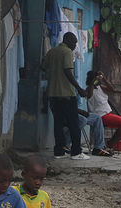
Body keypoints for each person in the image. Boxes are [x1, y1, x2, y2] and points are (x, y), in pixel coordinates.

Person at [43, 32, 88, 160]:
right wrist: (79, 89)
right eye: (74, 42)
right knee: (73, 123)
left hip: (53, 94)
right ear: (68, 41)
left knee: (58, 123)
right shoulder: (67, 52)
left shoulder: (52, 52)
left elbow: (43, 66)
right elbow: (67, 71)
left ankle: (59, 151)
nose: (75, 46)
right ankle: (76, 152)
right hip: (67, 94)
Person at [85, 71, 121, 152]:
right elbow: (89, 94)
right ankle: (110, 145)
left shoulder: (100, 87)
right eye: (98, 78)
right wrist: (93, 82)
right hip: (100, 116)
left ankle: (110, 144)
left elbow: (112, 89)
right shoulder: (89, 89)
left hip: (107, 115)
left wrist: (104, 79)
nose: (100, 80)